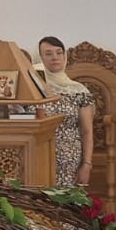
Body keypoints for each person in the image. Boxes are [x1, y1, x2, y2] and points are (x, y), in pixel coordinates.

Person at [36, 36, 96, 186]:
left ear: (65, 56)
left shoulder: (78, 91)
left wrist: (87, 164)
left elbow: (87, 131)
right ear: (40, 58)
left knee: (65, 199)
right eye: (48, 53)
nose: (55, 57)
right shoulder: (32, 88)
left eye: (59, 52)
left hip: (69, 158)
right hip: (36, 155)